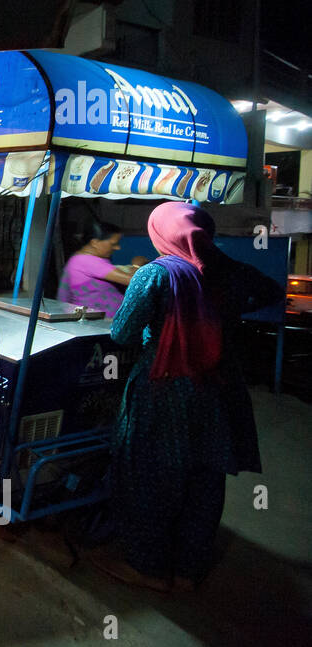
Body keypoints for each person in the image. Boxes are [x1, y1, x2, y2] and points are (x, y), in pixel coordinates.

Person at [96, 202, 284, 592]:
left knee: (150, 475)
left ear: (160, 234)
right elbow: (271, 290)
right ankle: (188, 571)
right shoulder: (228, 271)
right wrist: (225, 320)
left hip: (165, 386)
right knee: (206, 475)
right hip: (218, 387)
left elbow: (122, 333)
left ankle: (149, 568)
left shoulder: (156, 274)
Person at [57, 218, 147, 316]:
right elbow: (134, 281)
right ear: (94, 243)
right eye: (114, 244)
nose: (118, 248)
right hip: (96, 325)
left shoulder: (86, 259)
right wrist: (137, 264)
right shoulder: (86, 261)